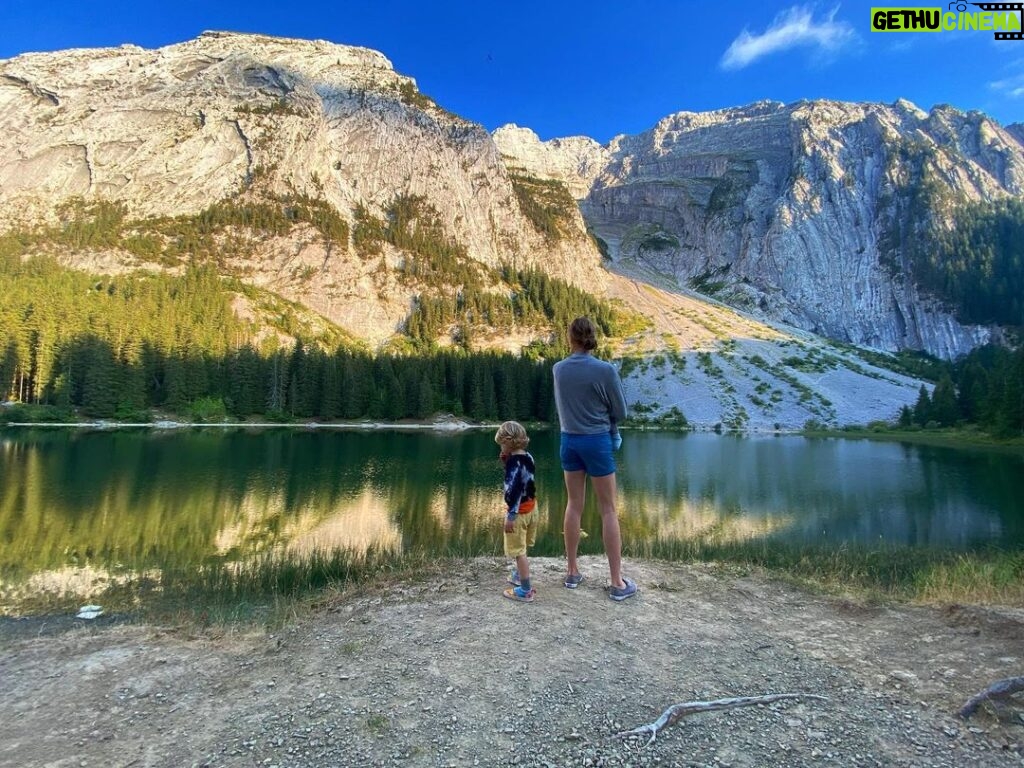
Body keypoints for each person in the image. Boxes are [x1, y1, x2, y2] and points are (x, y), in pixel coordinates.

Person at [553, 316, 636, 601]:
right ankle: (616, 583)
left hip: (569, 441)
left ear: (570, 337)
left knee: (574, 505)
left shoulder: (558, 369)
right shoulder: (605, 370)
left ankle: (572, 572)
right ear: (592, 337)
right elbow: (621, 412)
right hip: (597, 441)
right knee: (608, 510)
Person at [495, 420, 538, 603]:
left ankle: (525, 590)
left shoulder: (514, 464)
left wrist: (510, 516)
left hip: (518, 513)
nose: (501, 448)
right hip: (532, 509)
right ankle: (520, 575)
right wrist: (506, 458)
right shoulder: (528, 456)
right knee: (522, 546)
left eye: (502, 445)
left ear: (508, 442)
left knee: (518, 551)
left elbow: (514, 492)